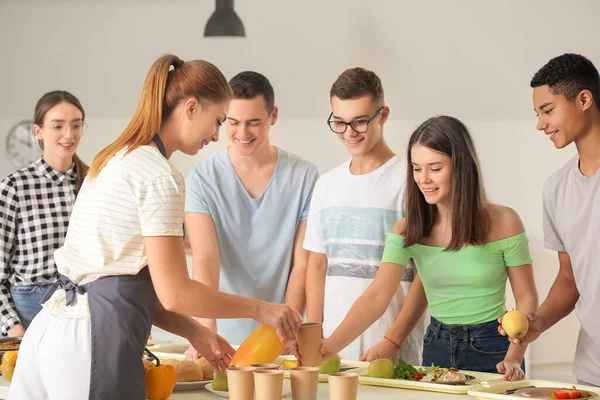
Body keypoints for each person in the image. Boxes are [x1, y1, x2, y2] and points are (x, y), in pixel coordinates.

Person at [8, 54, 301, 400]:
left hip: (49, 332)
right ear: (191, 108)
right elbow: (175, 292)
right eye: (218, 121)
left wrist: (196, 331)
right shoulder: (161, 176)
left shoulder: (113, 157)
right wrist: (262, 309)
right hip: (89, 343)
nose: (216, 134)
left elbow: (125, 284)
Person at [322, 116, 538, 381]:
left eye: (435, 168)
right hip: (437, 344)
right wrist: (329, 346)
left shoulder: (505, 221)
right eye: (416, 168)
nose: (423, 179)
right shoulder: (408, 231)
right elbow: (377, 296)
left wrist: (514, 356)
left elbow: (526, 297)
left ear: (461, 167)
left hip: (495, 348)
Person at [184, 71, 319, 350]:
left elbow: (302, 264)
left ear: (273, 116)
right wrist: (206, 331)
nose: (242, 134)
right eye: (233, 123)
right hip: (222, 333)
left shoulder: (305, 177)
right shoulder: (201, 179)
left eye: (254, 122)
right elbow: (205, 259)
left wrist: (289, 328)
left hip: (280, 335)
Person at [304, 67, 426, 363]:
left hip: (388, 351)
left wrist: (393, 340)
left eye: (359, 122)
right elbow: (317, 264)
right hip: (331, 350)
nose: (349, 133)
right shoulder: (326, 185)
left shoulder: (412, 181)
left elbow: (425, 274)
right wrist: (315, 335)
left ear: (383, 115)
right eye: (340, 122)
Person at [499, 53, 600, 387]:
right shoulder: (557, 189)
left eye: (548, 110)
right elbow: (570, 278)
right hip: (591, 374)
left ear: (584, 99)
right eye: (538, 113)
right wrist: (537, 322)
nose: (541, 123)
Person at [0, 90, 88, 337]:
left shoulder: (94, 182)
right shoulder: (15, 187)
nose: (68, 135)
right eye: (57, 126)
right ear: (38, 131)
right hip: (28, 313)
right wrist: (14, 330)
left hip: (82, 309)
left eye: (75, 125)